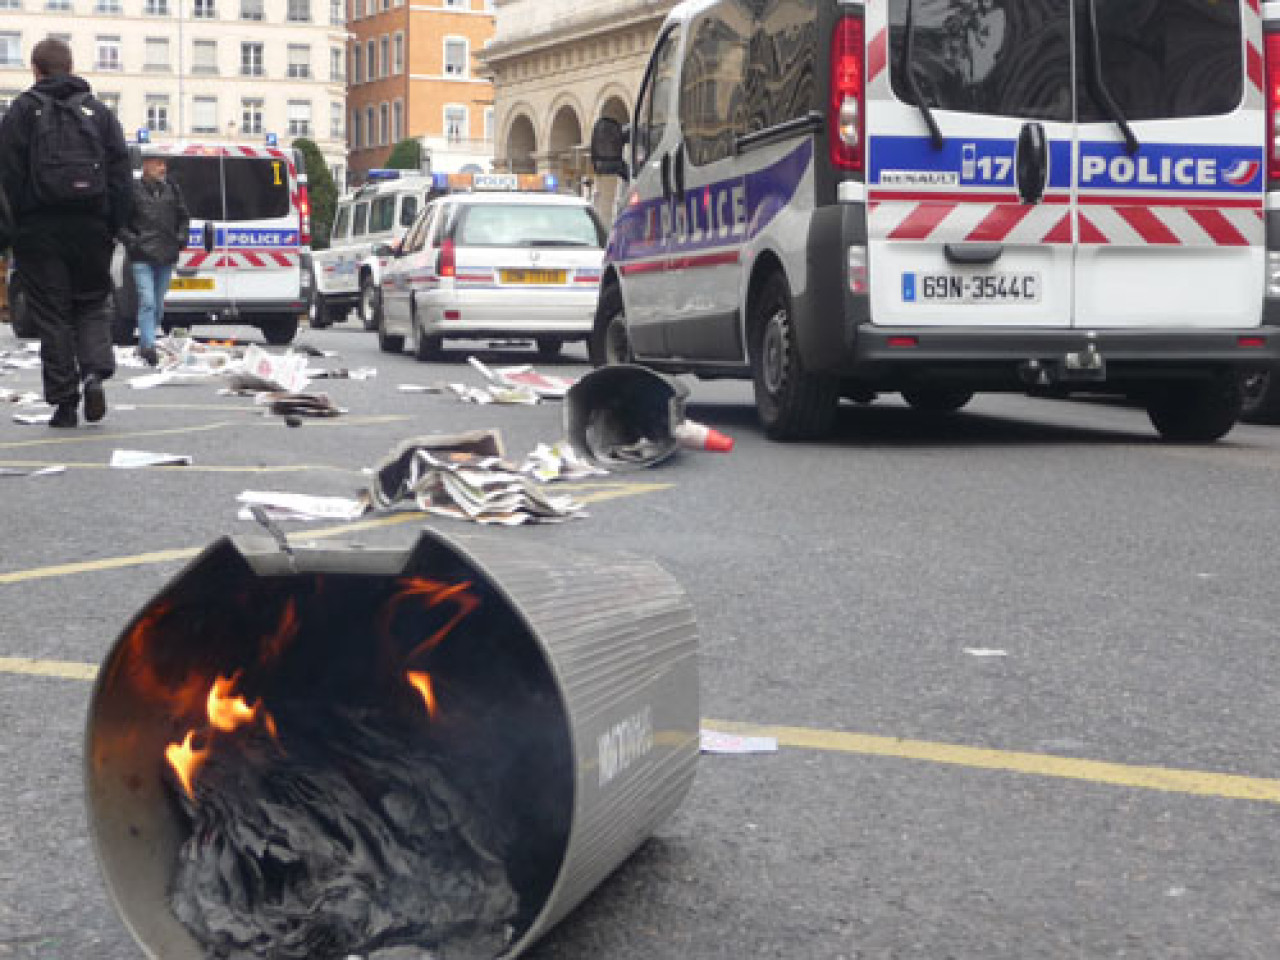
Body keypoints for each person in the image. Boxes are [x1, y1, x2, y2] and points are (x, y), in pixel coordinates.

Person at [0, 38, 132, 428]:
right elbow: (121, 175)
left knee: (52, 316)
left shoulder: (21, 112)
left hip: (38, 229)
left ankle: (64, 403)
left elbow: (5, 177)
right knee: (91, 304)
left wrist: (10, 235)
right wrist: (113, 225)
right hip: (91, 226)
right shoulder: (100, 114)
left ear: (36, 70)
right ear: (71, 67)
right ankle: (95, 372)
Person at [120, 153, 189, 366]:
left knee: (158, 305)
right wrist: (133, 242)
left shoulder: (172, 189)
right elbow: (120, 222)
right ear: (146, 166)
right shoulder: (132, 190)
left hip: (166, 254)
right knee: (147, 301)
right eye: (159, 164)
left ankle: (146, 341)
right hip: (142, 255)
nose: (163, 168)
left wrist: (180, 239)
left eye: (164, 164)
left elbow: (183, 217)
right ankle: (148, 346)